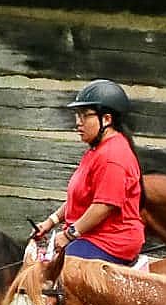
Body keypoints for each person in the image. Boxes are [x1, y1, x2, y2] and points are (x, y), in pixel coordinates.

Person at [43, 79, 145, 266]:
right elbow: (80, 198)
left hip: (109, 242)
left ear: (106, 119)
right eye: (77, 116)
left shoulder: (113, 156)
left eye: (84, 116)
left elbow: (103, 206)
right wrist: (50, 222)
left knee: (57, 275)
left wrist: (69, 235)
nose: (78, 123)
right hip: (89, 236)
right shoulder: (97, 150)